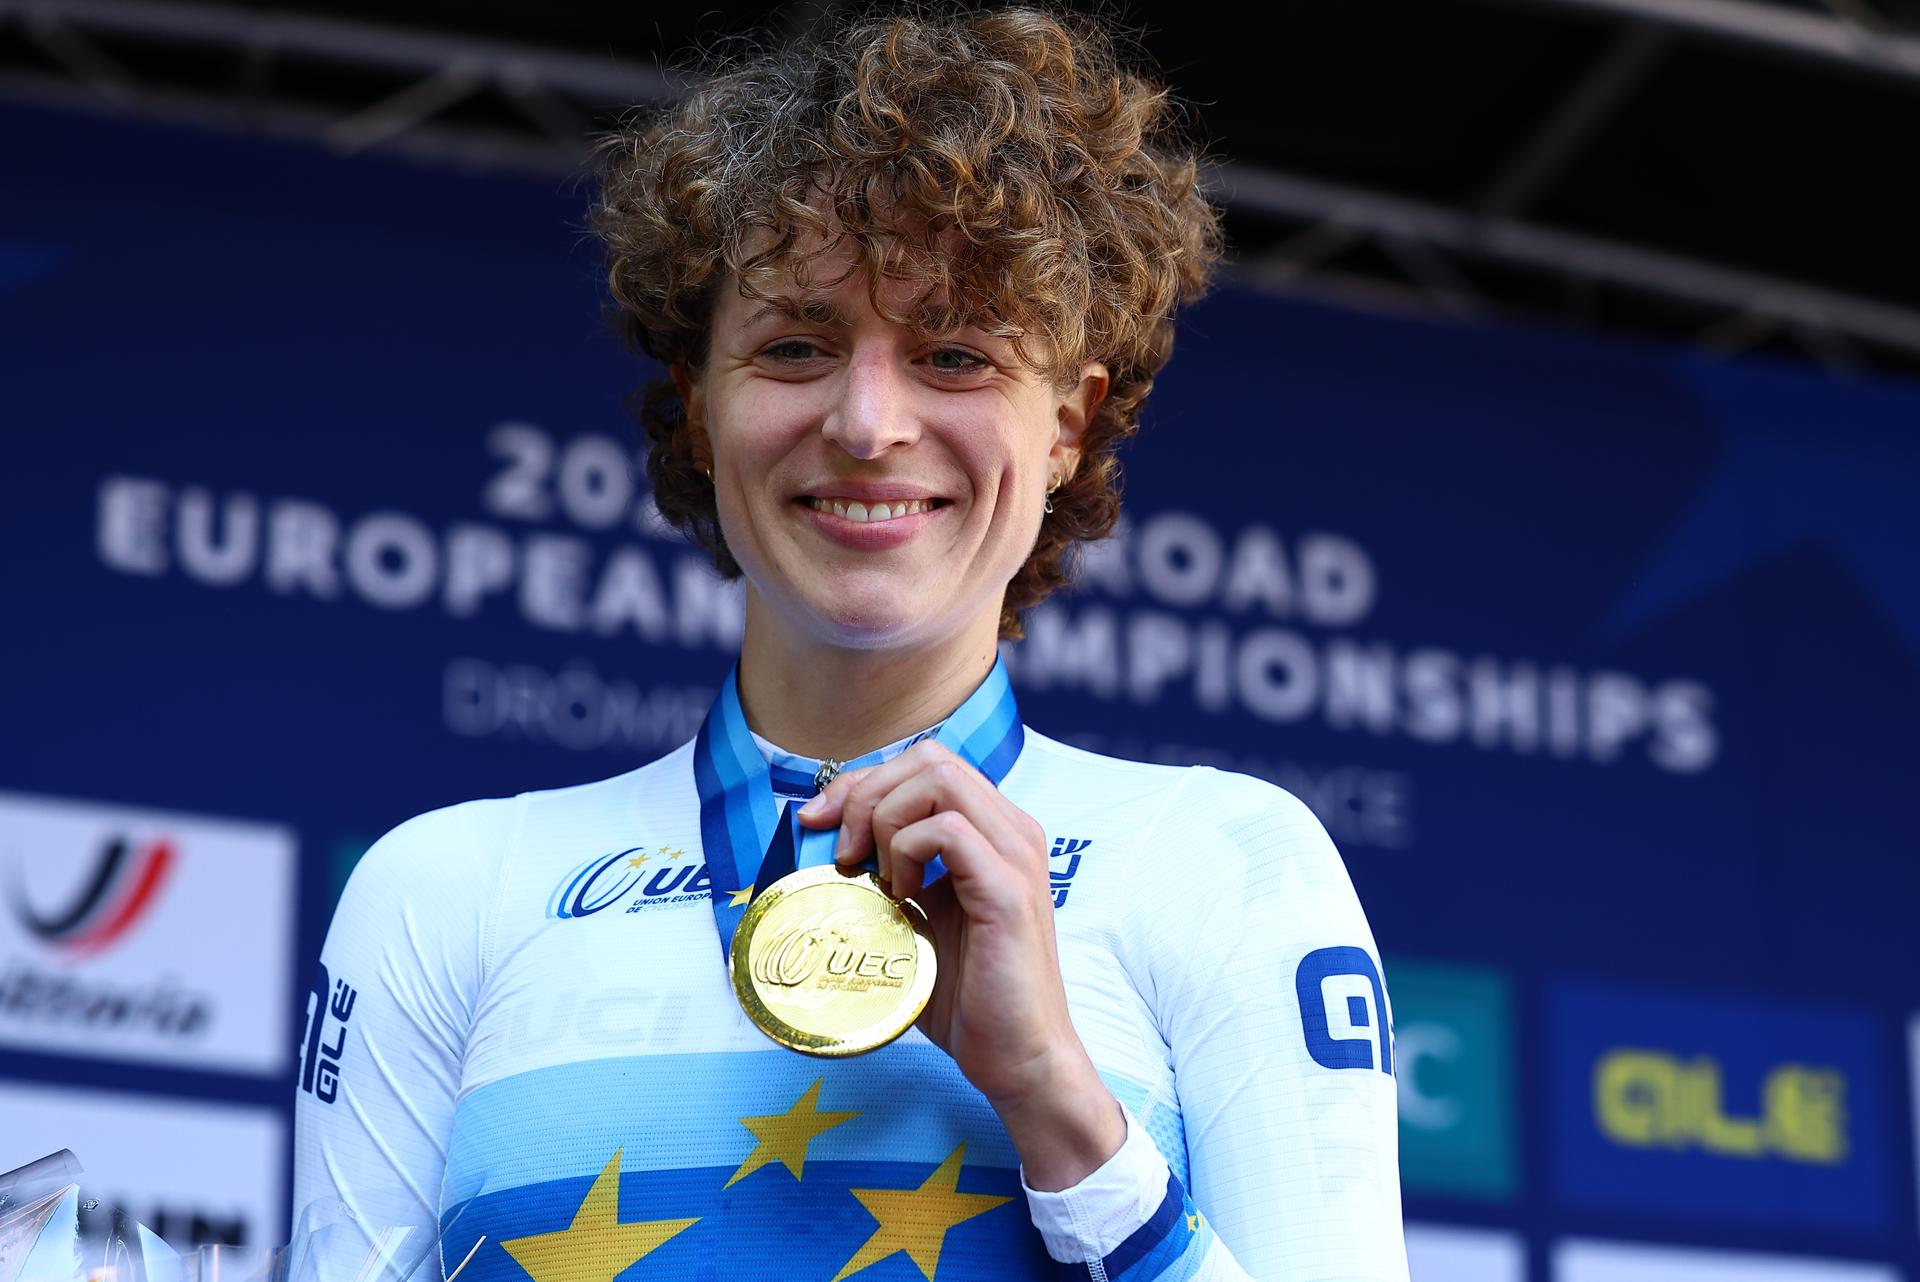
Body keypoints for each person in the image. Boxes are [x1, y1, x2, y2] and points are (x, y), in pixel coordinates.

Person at [293, 7, 1409, 1281]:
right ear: (701, 408)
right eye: (795, 346)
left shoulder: (1226, 867)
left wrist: (1060, 1105)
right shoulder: (441, 891)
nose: (870, 422)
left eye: (953, 352)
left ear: (1067, 424)